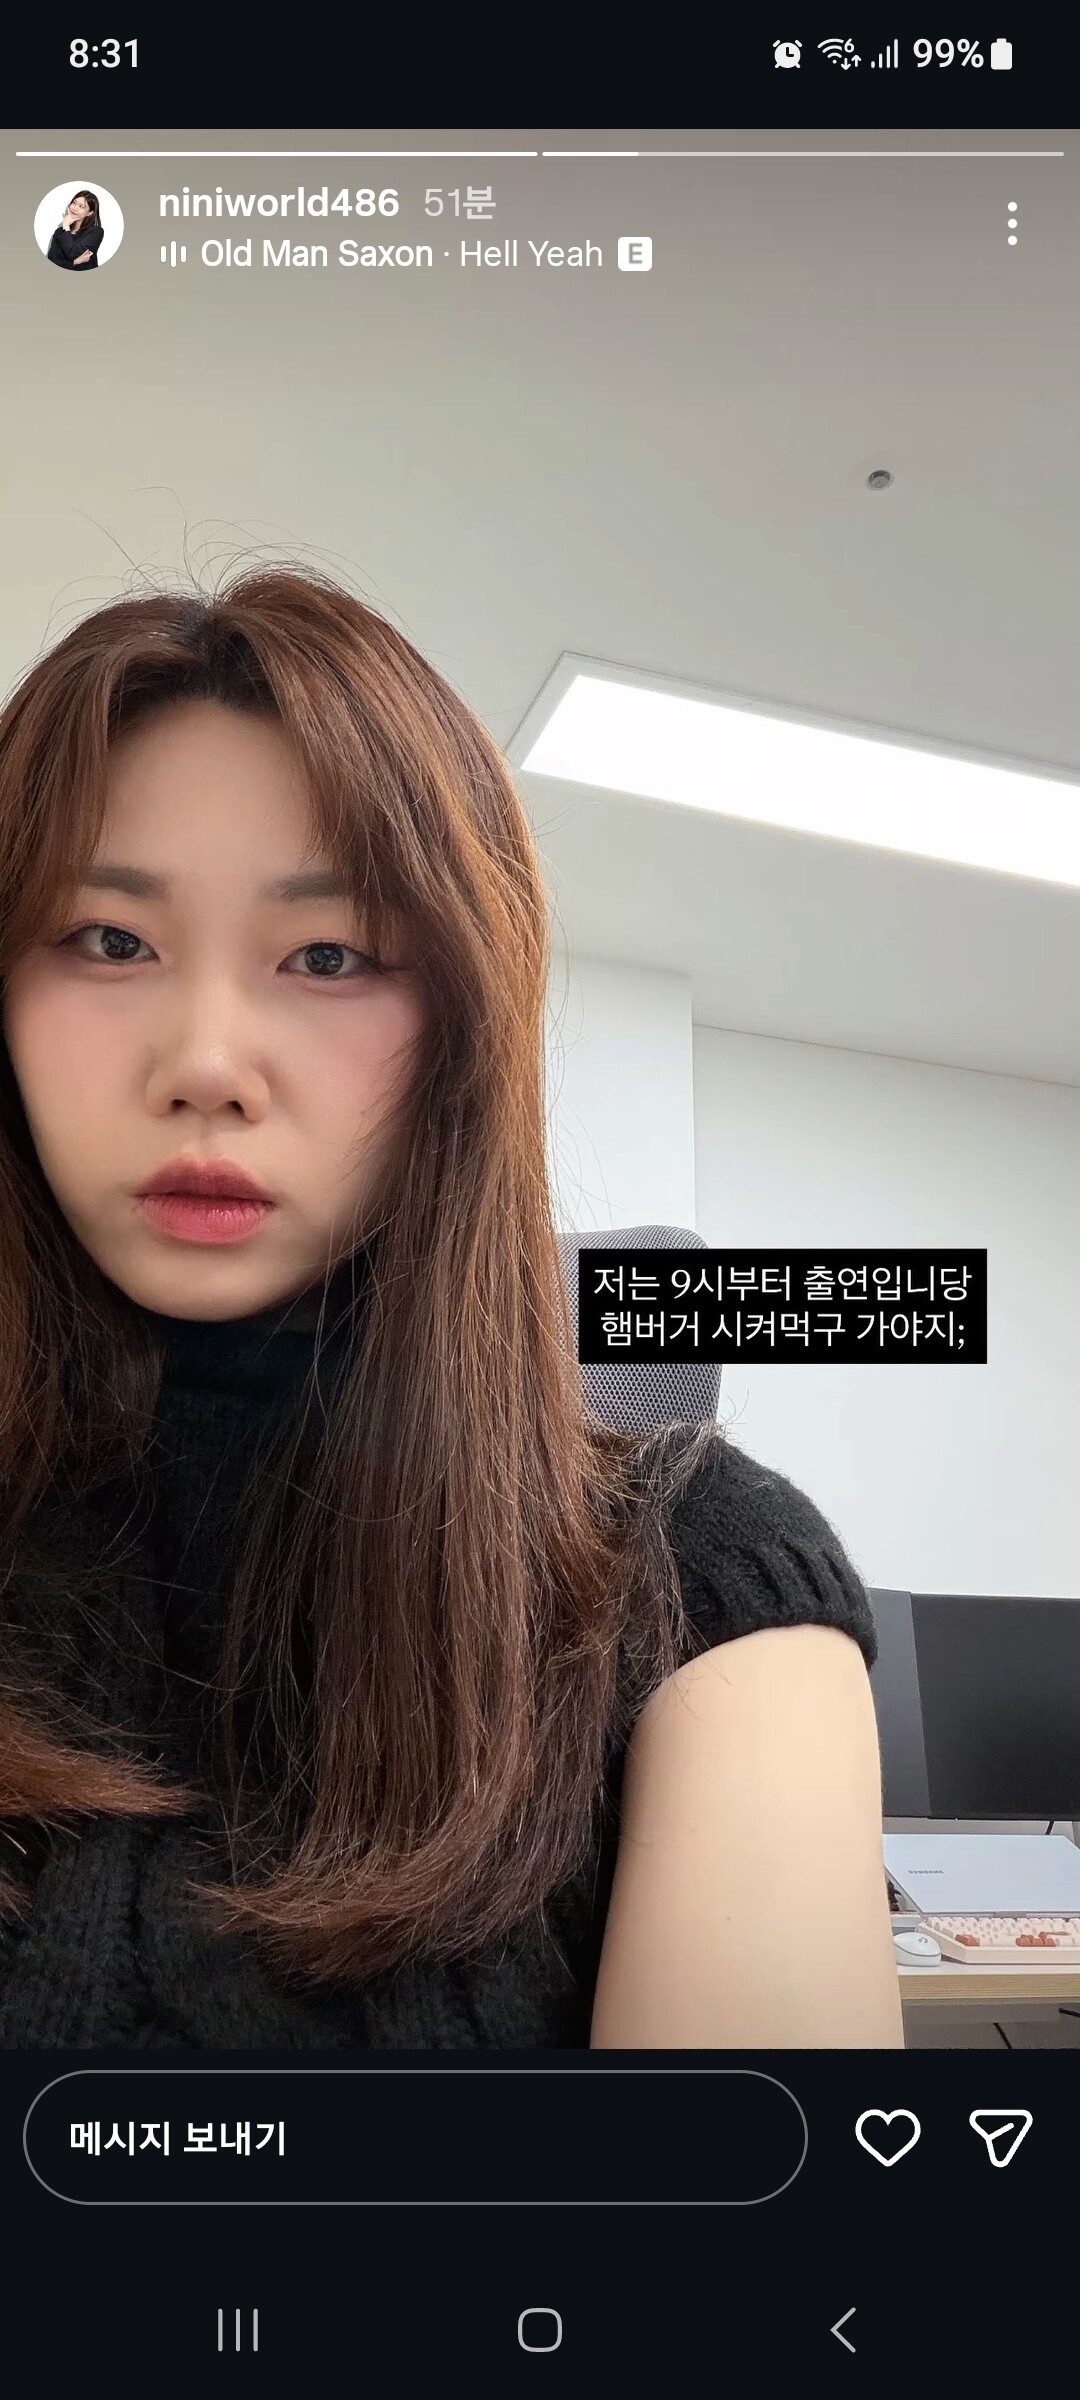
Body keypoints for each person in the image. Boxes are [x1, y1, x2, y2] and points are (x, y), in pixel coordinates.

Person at [0, 570, 902, 2050]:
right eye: (109, 940)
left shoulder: (710, 1592)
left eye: (329, 957)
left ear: (461, 1034)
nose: (207, 1063)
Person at [46, 190, 104, 270]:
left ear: (90, 213)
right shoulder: (59, 232)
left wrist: (66, 226)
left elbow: (73, 254)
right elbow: (52, 261)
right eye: (74, 203)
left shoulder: (96, 232)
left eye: (81, 206)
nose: (75, 208)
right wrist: (75, 262)